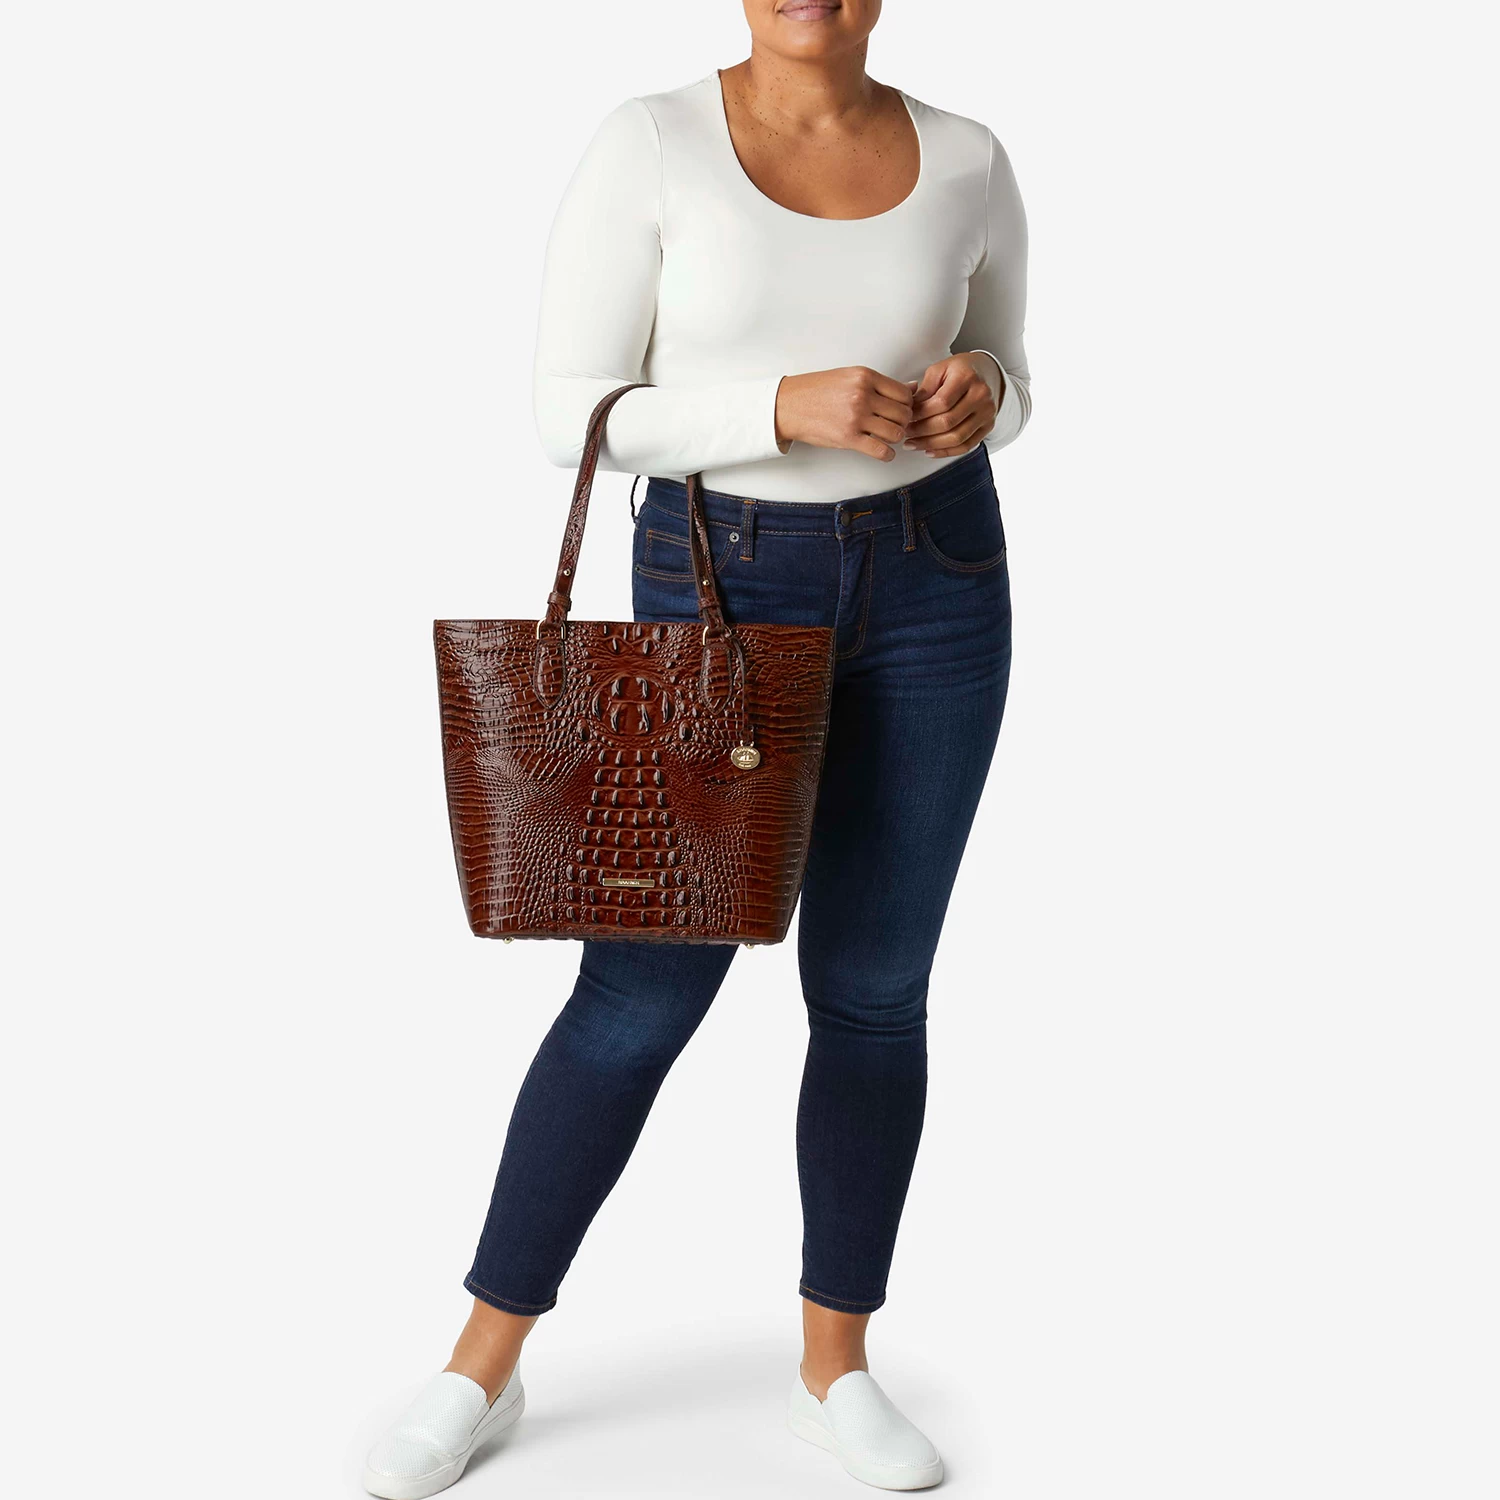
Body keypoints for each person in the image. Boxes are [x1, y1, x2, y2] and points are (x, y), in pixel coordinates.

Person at [363, 1, 1030, 1493]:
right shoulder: (653, 141)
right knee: (639, 992)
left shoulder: (970, 156)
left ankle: (835, 1368)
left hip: (940, 576)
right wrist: (777, 407)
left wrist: (988, 395)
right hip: (721, 577)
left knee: (875, 992)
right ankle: (482, 1365)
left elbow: (1016, 371)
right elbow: (567, 416)